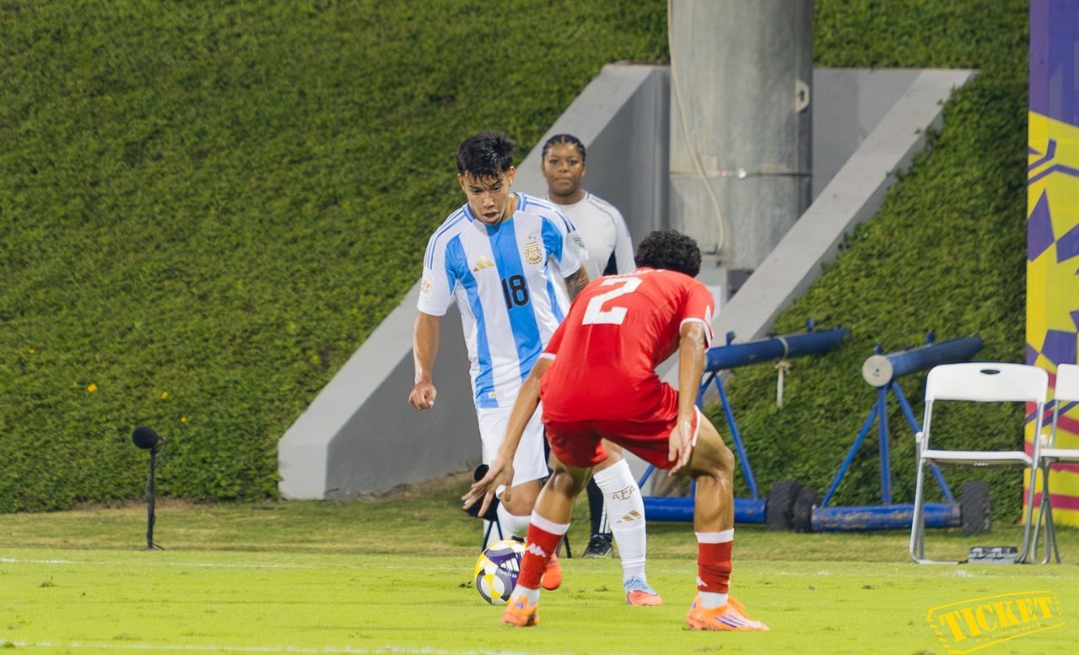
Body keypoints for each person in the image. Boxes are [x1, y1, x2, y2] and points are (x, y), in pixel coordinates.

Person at [463, 230, 769, 632]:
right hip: (628, 391)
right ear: (689, 272)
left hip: (565, 397)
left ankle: (523, 599)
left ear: (640, 264)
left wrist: (505, 454)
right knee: (717, 466)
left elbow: (539, 375)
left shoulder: (596, 290)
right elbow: (694, 336)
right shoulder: (688, 287)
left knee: (563, 480)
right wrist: (681, 421)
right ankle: (712, 604)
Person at [409, 131, 660, 605]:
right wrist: (423, 376)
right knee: (520, 503)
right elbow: (429, 315)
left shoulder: (546, 220)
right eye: (475, 190)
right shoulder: (447, 242)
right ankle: (545, 536)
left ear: (510, 175)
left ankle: (637, 581)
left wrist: (597, 346)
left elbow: (579, 282)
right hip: (498, 379)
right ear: (462, 182)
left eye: (494, 188)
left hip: (562, 362)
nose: (486, 200)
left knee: (610, 466)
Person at [540, 134, 648, 571]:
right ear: (542, 168)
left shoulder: (607, 218)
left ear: (583, 167)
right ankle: (537, 531)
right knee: (547, 440)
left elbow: (630, 281)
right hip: (544, 342)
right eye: (554, 161)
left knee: (601, 438)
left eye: (571, 161)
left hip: (594, 345)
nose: (563, 168)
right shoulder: (527, 216)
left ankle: (600, 536)